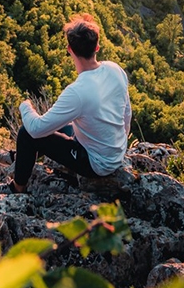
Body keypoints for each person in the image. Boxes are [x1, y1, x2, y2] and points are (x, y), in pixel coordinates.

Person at [11, 13, 132, 193]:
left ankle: (16, 188)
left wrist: (25, 106)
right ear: (97, 47)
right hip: (115, 151)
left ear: (69, 49)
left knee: (27, 133)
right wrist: (116, 147)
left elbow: (36, 129)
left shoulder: (77, 91)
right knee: (61, 124)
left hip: (96, 164)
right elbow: (126, 114)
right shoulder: (115, 69)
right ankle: (18, 157)